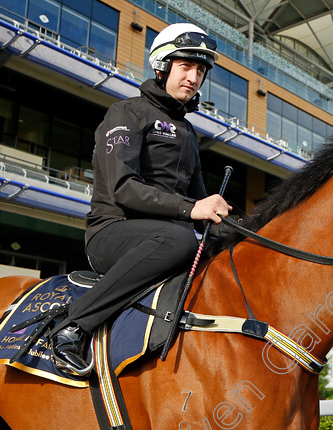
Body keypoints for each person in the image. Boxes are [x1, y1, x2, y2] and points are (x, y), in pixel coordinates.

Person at [53, 23, 231, 374]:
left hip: (166, 237)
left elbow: (200, 199)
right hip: (113, 233)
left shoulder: (188, 133)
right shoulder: (126, 113)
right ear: (162, 66)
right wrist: (191, 209)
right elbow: (123, 188)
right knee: (179, 238)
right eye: (185, 67)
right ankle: (73, 327)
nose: (193, 77)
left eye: (200, 71)